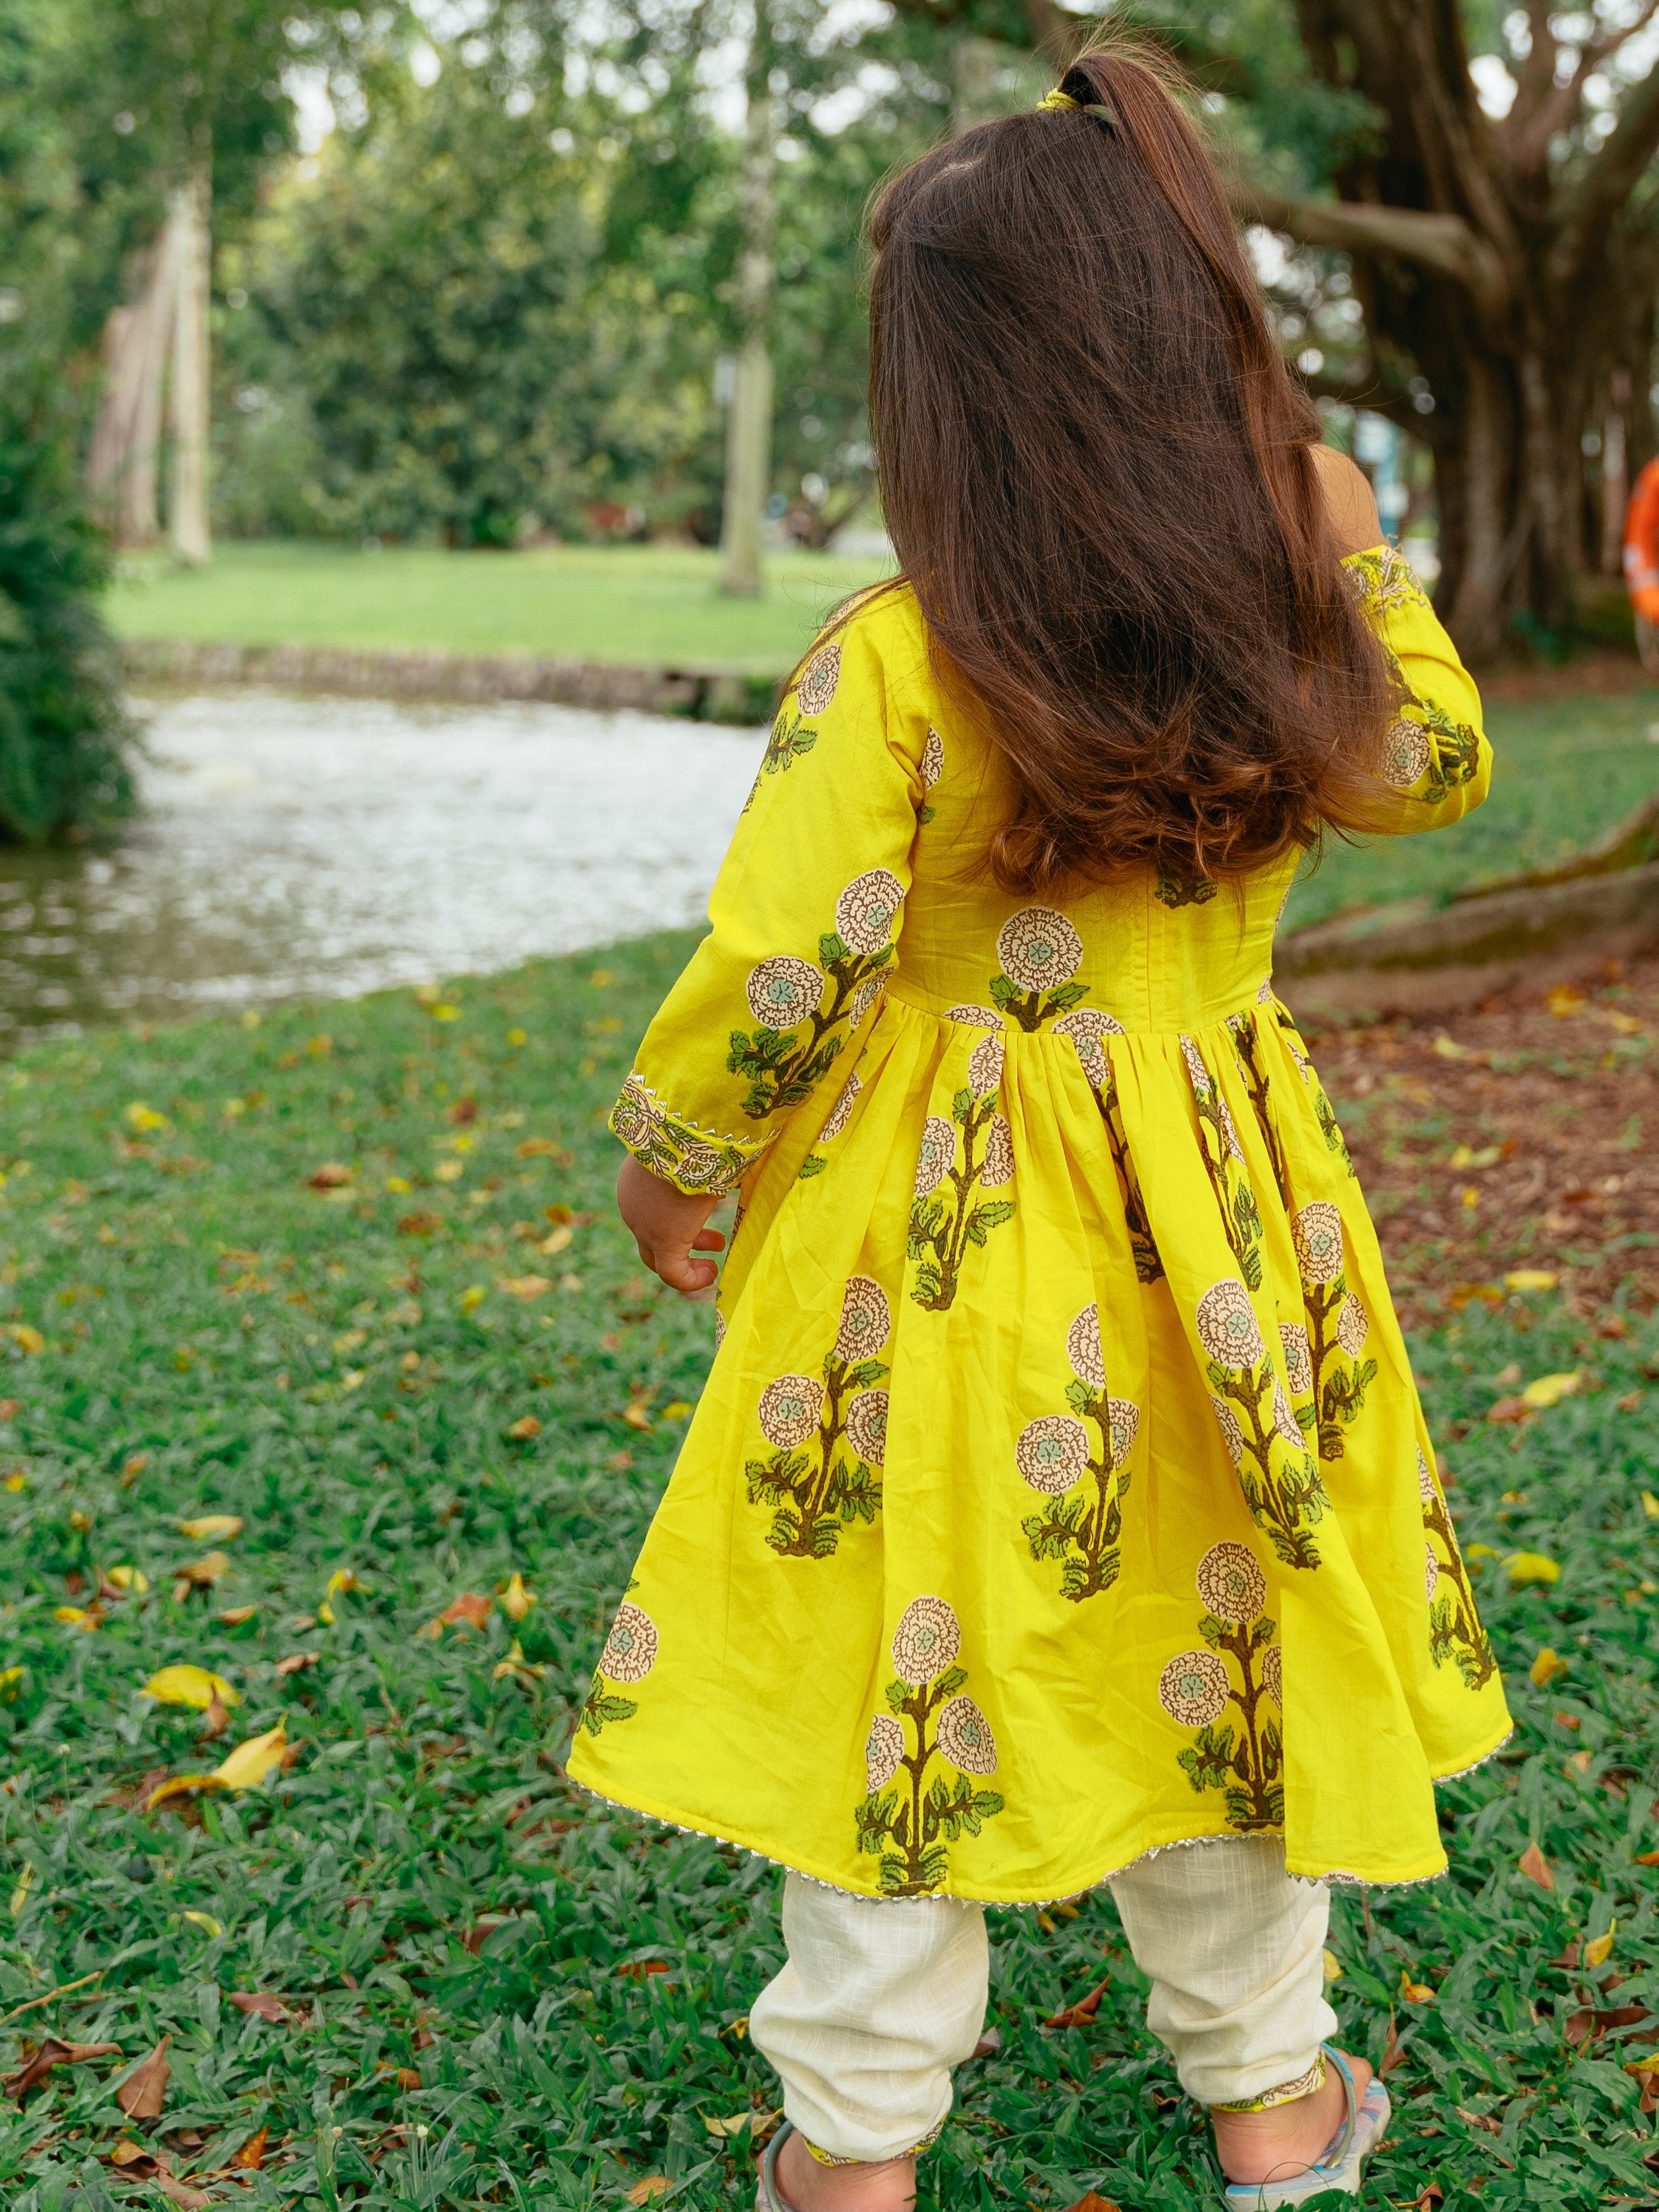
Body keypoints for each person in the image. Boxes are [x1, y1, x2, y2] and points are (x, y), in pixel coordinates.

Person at [568, 41, 1510, 2212]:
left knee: (899, 1673)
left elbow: (783, 963)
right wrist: (1357, 553)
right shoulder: (1288, 635)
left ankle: (854, 2157)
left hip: (939, 1254)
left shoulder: (902, 659)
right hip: (1223, 1241)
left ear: (950, 401)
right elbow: (1433, 763)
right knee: (1219, 1631)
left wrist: (672, 1154)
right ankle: (1275, 2110)